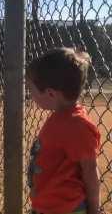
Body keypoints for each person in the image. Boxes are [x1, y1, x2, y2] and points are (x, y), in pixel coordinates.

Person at [26, 48, 101, 214]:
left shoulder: (76, 125)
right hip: (47, 205)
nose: (31, 96)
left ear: (51, 94)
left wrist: (94, 210)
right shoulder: (60, 117)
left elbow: (90, 170)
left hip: (66, 208)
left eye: (32, 91)